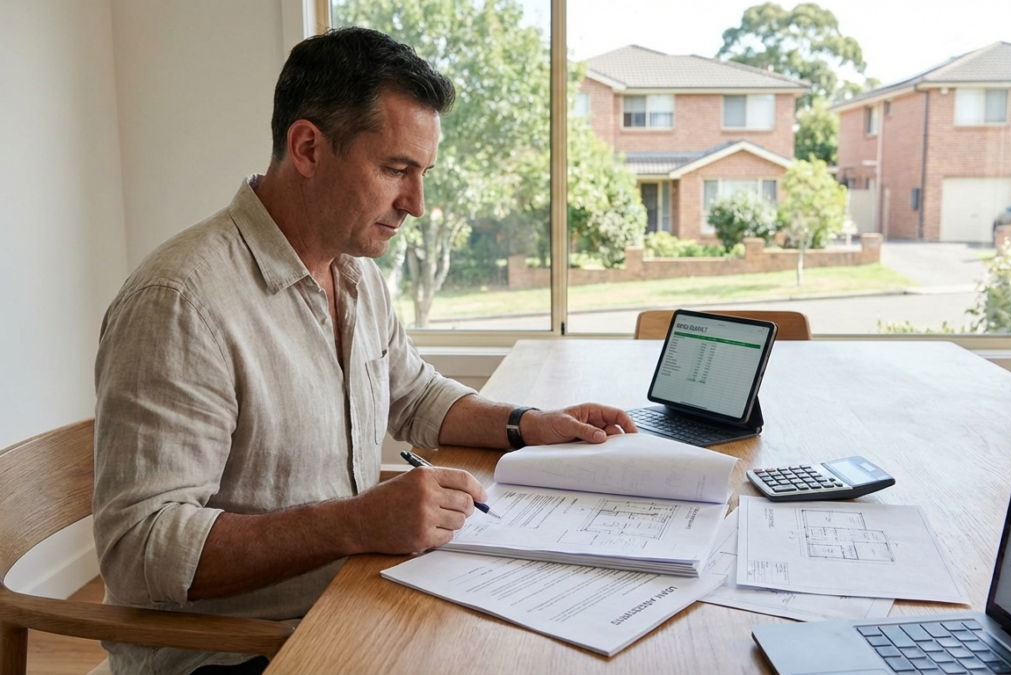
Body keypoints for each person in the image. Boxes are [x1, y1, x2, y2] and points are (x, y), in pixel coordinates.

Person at [92, 26, 636, 675]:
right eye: (396, 170)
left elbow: (414, 392)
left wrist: (526, 423)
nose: (418, 204)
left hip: (346, 604)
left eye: (423, 173)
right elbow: (139, 548)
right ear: (307, 148)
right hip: (233, 651)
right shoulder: (181, 301)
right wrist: (355, 523)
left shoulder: (355, 275)